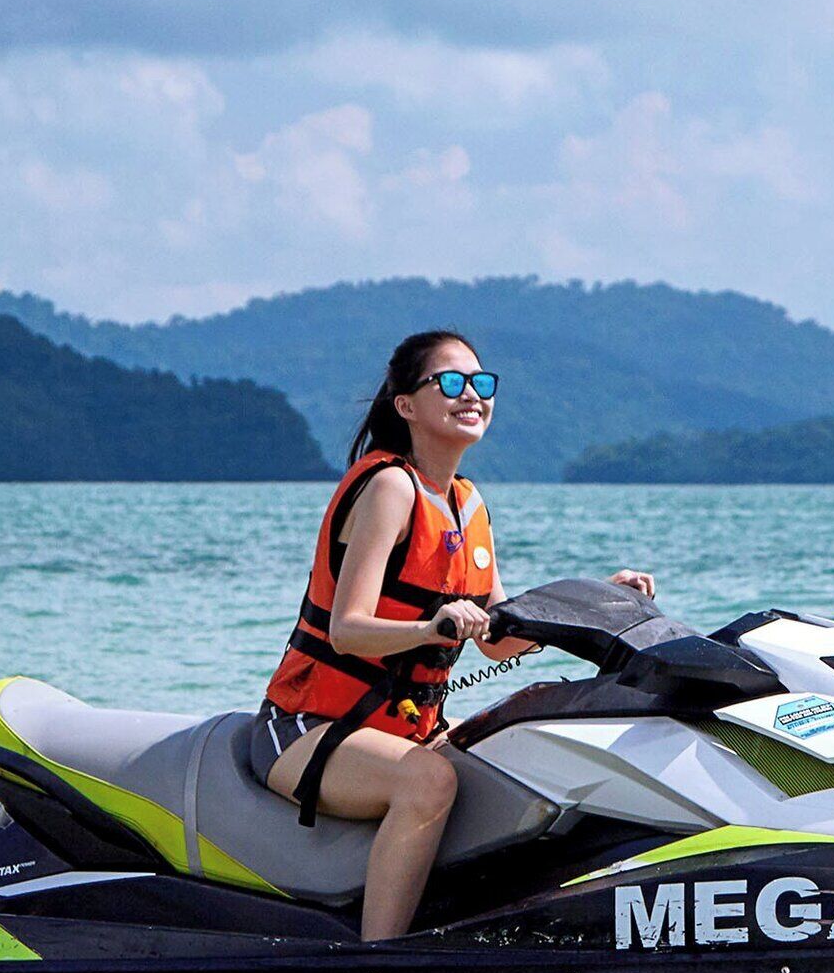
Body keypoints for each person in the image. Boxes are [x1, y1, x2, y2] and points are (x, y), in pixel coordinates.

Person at [257, 329, 654, 939]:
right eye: (450, 382)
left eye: (480, 382)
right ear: (407, 405)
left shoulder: (468, 505)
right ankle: (380, 965)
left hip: (406, 728)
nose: (471, 394)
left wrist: (601, 598)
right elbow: (347, 630)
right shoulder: (390, 488)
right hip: (306, 727)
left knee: (519, 752)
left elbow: (497, 639)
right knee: (430, 779)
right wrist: (433, 624)